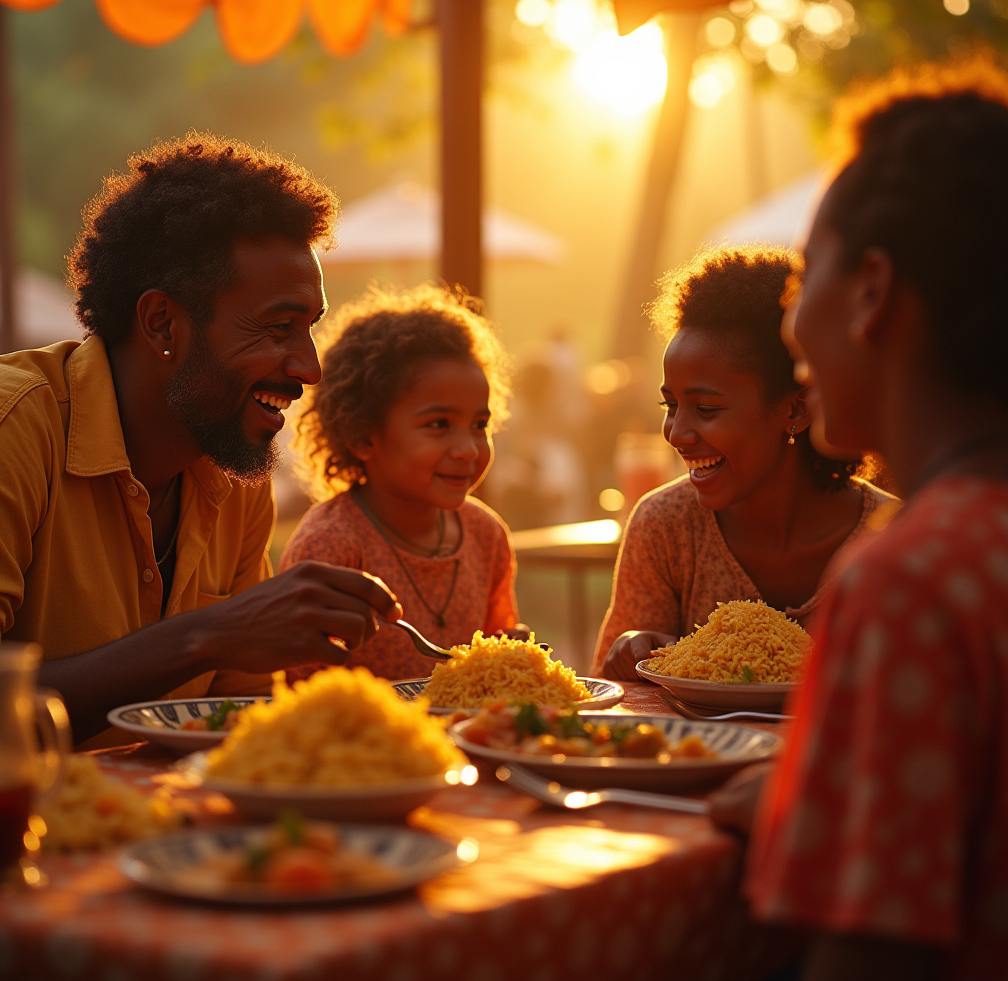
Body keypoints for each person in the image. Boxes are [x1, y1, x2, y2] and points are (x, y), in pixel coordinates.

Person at [712, 58, 1008, 981]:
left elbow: (869, 953)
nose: (792, 324)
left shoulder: (910, 579)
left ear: (873, 291)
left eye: (804, 279)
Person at [0, 133, 401, 745]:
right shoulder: (6, 430)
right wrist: (206, 635)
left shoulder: (234, 470)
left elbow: (242, 723)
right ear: (162, 324)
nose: (310, 368)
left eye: (309, 329)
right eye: (278, 327)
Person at [591, 243, 896, 681]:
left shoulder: (886, 534)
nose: (677, 434)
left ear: (794, 410)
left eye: (707, 410)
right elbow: (611, 708)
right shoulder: (665, 527)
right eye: (671, 405)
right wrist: (629, 657)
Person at [280, 283, 528, 680]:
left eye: (479, 425)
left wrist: (512, 653)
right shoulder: (332, 545)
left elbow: (497, 643)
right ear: (363, 436)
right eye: (439, 425)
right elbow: (301, 686)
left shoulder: (486, 534)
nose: (467, 448)